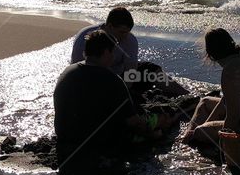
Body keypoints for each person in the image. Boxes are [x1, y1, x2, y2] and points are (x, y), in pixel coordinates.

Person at [54, 30, 162, 164]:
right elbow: (133, 122)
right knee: (154, 120)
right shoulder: (112, 80)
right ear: (105, 52)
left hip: (65, 136)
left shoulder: (68, 71)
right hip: (97, 143)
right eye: (112, 52)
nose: (113, 57)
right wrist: (152, 134)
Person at [70, 6, 138, 79]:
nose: (125, 36)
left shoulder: (129, 39)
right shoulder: (86, 38)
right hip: (90, 76)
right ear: (109, 26)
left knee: (148, 68)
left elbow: (131, 69)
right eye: (121, 32)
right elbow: (76, 68)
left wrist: (126, 88)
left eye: (128, 32)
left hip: (118, 77)